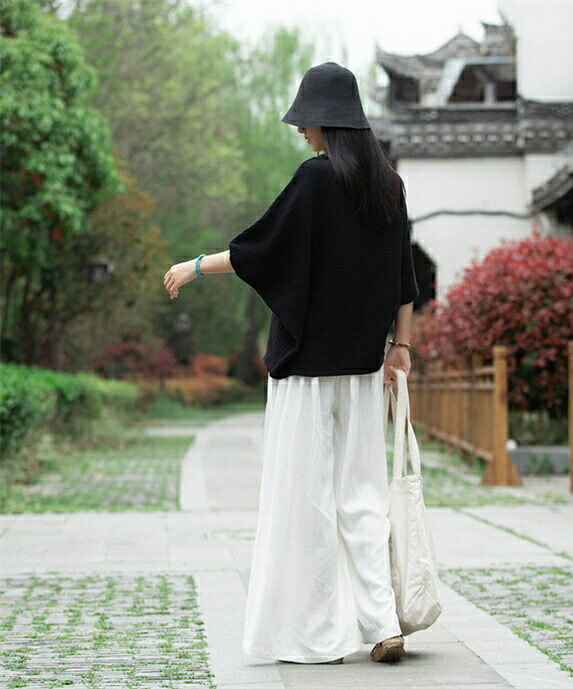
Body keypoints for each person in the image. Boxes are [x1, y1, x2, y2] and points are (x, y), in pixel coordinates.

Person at [163, 61, 419, 665]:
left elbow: (262, 250)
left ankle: (316, 634)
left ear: (327, 120)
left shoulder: (314, 179)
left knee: (306, 498)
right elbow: (403, 279)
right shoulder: (389, 186)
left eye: (306, 119)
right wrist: (401, 347)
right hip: (363, 368)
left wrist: (196, 265)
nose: (301, 130)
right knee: (362, 493)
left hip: (306, 368)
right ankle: (382, 623)